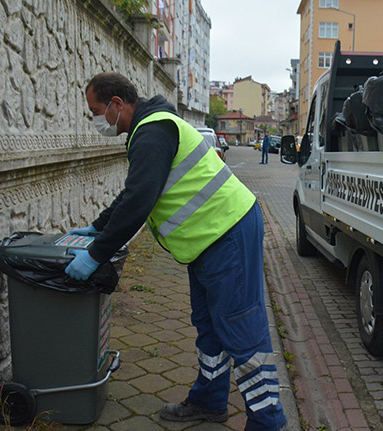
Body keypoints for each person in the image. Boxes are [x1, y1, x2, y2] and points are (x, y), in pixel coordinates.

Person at [66, 72, 287, 430]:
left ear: (117, 104)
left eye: (96, 110)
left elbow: (139, 202)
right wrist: (99, 226)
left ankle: (268, 422)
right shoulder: (151, 128)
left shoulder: (152, 132)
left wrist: (95, 254)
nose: (97, 120)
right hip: (208, 239)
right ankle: (210, 401)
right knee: (208, 325)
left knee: (242, 331)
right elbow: (134, 192)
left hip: (227, 233)